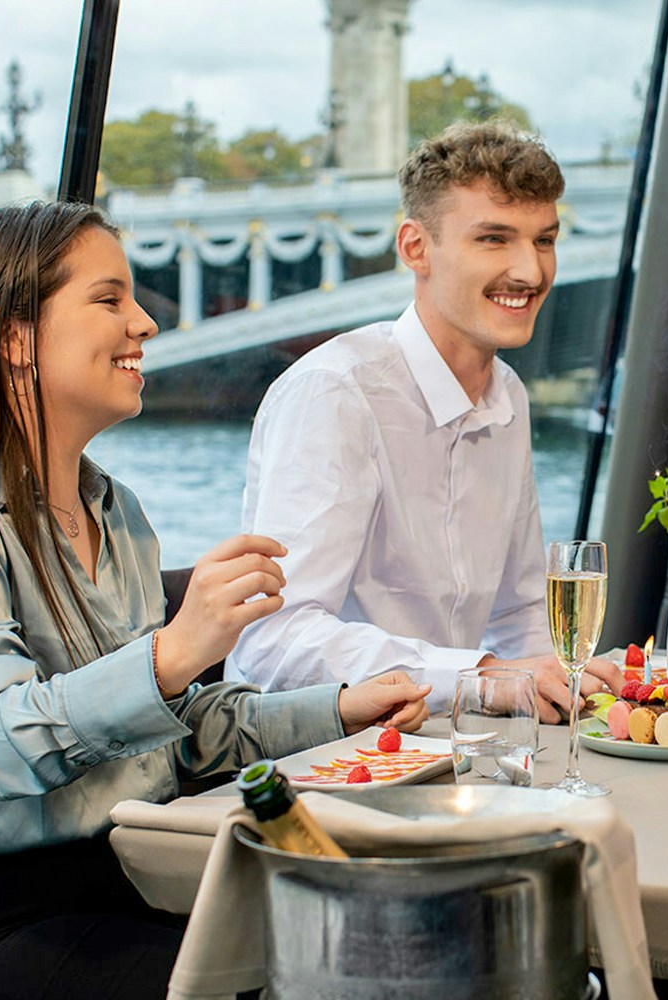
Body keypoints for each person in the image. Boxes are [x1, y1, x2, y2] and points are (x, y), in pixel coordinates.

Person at [0, 202, 432, 1000]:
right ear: (12, 337)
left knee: (405, 946)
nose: (147, 323)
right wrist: (169, 654)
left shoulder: (117, 512)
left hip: (129, 877)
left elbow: (172, 738)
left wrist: (338, 710)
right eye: (109, 299)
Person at [227, 121, 621, 723]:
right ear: (416, 248)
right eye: (494, 239)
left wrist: (571, 681)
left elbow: (517, 614)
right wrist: (482, 678)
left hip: (452, 749)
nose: (531, 272)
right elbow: (274, 642)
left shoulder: (507, 392)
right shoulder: (335, 394)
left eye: (544, 241)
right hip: (324, 761)